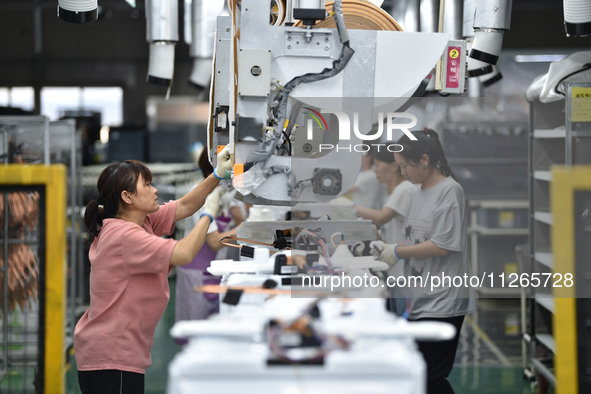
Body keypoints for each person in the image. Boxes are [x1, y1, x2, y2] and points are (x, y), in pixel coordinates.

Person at [74, 146, 233, 394]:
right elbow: (183, 253)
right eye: (147, 185)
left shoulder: (140, 220)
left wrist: (217, 174)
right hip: (112, 356)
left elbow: (185, 205)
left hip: (117, 352)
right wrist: (208, 216)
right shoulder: (123, 235)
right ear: (127, 197)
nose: (154, 189)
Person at [370, 129, 477, 394]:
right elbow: (416, 240)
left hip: (444, 300)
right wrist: (386, 247)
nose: (402, 172)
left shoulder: (450, 192)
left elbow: (441, 245)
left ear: (425, 160)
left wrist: (396, 251)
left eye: (405, 165)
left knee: (430, 377)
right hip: (421, 297)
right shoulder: (417, 193)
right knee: (418, 373)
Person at [174, 151, 244, 337]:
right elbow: (214, 241)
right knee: (198, 329)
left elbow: (234, 219)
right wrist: (245, 228)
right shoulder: (202, 197)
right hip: (197, 272)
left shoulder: (223, 192)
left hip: (215, 269)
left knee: (213, 325)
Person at [354, 146, 417, 316]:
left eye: (378, 165)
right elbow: (395, 231)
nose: (375, 171)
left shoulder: (405, 189)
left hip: (404, 273)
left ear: (394, 166)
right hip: (394, 271)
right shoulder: (391, 194)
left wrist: (351, 209)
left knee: (403, 323)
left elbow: (382, 217)